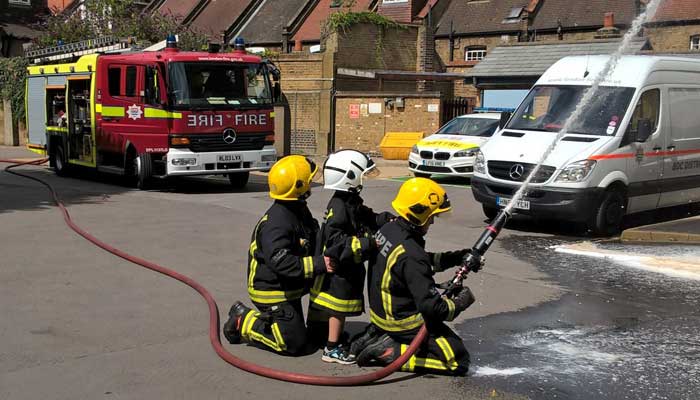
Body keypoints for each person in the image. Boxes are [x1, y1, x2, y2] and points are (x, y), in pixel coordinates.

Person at [355, 178, 481, 376]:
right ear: (420, 214)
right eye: (431, 216)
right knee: (457, 360)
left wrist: (459, 257)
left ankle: (379, 334)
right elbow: (433, 309)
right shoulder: (411, 253)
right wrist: (460, 302)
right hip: (403, 322)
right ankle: (392, 353)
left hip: (382, 314)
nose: (432, 221)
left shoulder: (390, 229)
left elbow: (419, 264)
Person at [222, 155, 335, 356]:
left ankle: (305, 325)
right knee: (294, 344)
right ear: (299, 188)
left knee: (308, 337)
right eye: (308, 180)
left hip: (289, 286)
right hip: (271, 291)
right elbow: (283, 263)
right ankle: (244, 321)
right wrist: (319, 264)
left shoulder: (296, 209)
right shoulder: (277, 223)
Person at [307, 149, 393, 364]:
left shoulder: (350, 201)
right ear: (349, 176)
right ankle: (331, 348)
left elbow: (367, 216)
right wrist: (369, 243)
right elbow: (336, 242)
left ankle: (324, 336)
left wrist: (386, 219)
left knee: (335, 308)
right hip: (339, 269)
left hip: (346, 267)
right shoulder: (339, 206)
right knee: (338, 308)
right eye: (362, 173)